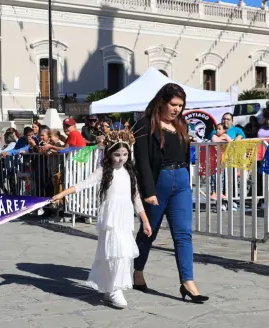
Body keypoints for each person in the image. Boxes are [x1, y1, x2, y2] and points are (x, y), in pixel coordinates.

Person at [52, 129, 152, 308]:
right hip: (111, 218)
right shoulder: (104, 172)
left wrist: (144, 220)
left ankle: (112, 288)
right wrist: (62, 194)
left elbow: (135, 197)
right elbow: (83, 184)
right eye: (117, 154)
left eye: (124, 154)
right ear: (109, 154)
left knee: (122, 253)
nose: (121, 158)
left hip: (125, 217)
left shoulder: (130, 173)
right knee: (112, 253)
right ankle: (113, 289)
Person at [132, 83, 209, 303]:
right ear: (162, 102)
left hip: (182, 182)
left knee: (184, 234)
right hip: (159, 183)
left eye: (181, 105)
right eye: (173, 104)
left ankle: (188, 282)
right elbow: (143, 162)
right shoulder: (144, 125)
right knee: (149, 232)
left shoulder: (181, 123)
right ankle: (138, 272)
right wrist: (148, 191)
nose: (177, 109)